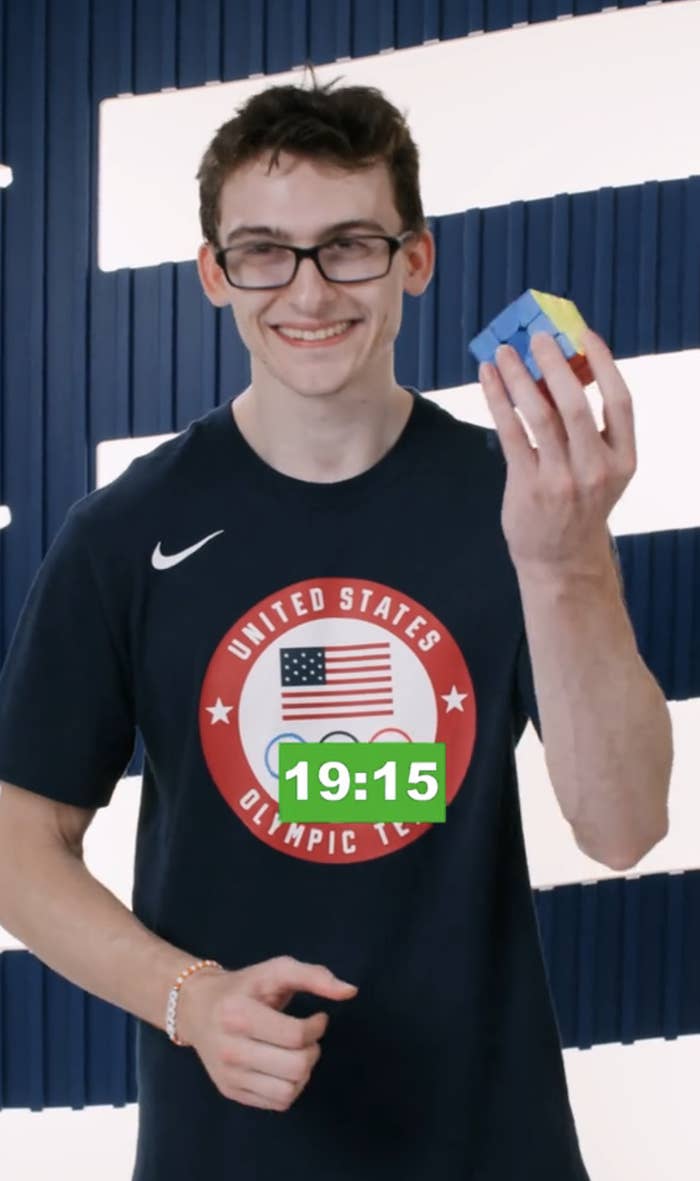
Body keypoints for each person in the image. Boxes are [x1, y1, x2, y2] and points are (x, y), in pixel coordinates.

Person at [0, 71, 604, 1180]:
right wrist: (189, 1000)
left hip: (490, 1139)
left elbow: (618, 824)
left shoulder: (520, 499)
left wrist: (567, 556)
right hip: (226, 1149)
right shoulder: (127, 529)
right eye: (264, 250)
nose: (308, 288)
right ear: (214, 275)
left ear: (413, 259)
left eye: (349, 245)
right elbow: (15, 838)